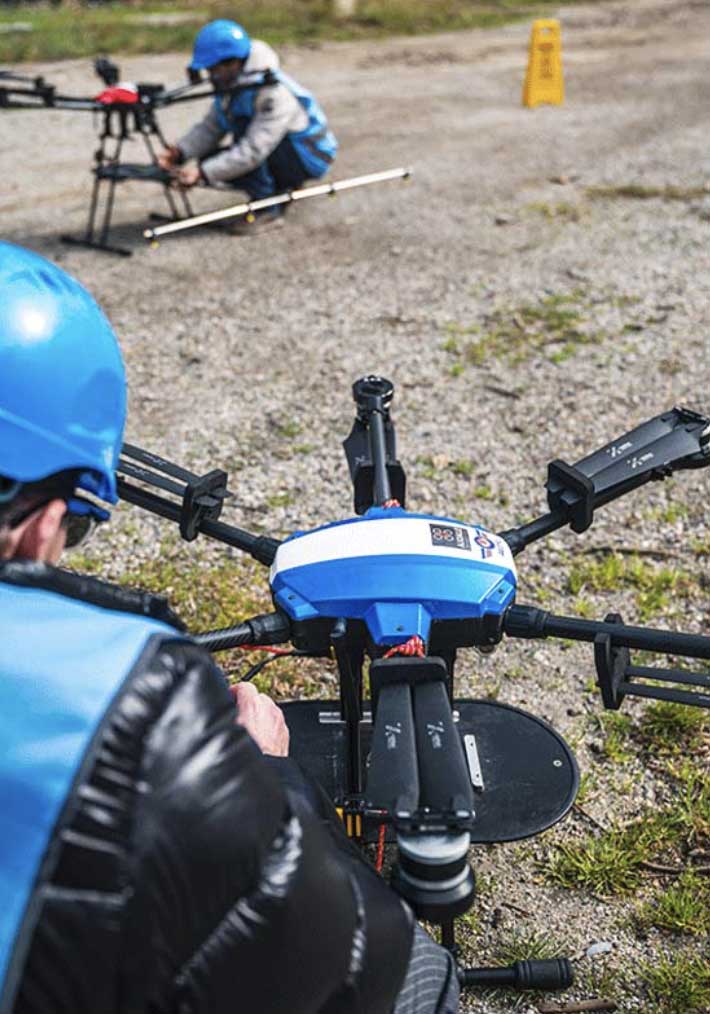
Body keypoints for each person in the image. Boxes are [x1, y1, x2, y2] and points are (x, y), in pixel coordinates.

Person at [0, 243, 460, 1014]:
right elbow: (348, 967)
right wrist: (267, 777)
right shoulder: (127, 711)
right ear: (45, 521)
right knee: (423, 981)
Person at [158, 19, 338, 234]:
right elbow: (211, 127)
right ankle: (280, 189)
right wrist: (179, 152)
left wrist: (202, 174)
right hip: (284, 149)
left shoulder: (273, 92)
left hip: (309, 157)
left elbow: (253, 150)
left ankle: (267, 210)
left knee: (238, 138)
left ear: (233, 62)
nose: (211, 75)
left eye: (213, 69)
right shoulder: (234, 85)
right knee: (210, 159)